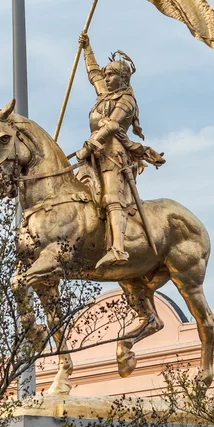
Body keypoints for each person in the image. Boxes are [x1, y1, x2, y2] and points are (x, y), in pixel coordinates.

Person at [76, 32, 165, 268]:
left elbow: (113, 124)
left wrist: (90, 145)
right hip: (94, 153)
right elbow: (92, 73)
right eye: (106, 74)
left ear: (124, 77)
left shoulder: (126, 100)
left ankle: (118, 248)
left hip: (114, 155)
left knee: (111, 198)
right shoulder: (104, 94)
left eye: (111, 74)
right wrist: (87, 48)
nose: (106, 78)